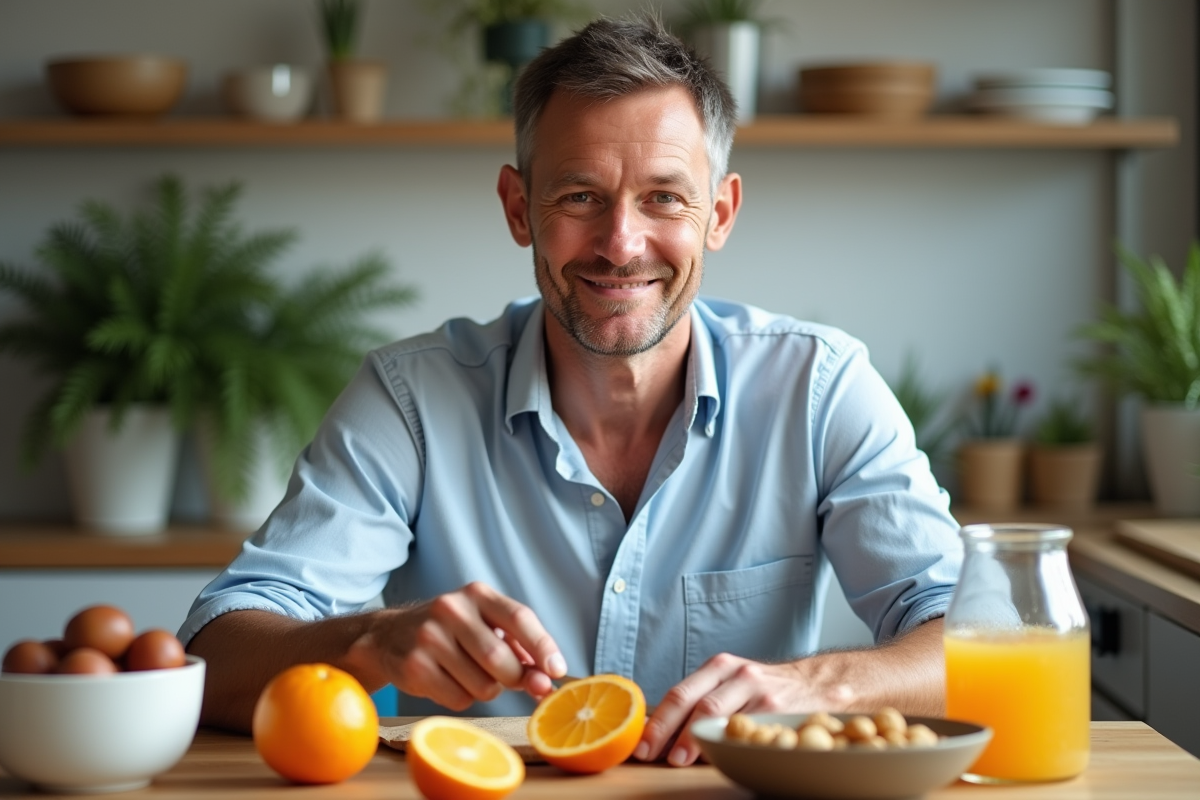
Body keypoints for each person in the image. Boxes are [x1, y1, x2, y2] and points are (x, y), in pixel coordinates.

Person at [182, 14, 961, 768]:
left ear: (718, 214)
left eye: (664, 197)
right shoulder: (411, 399)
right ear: (520, 208)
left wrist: (812, 685)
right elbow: (213, 652)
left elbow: (983, 641)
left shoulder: (820, 390)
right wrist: (371, 640)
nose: (622, 245)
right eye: (580, 196)